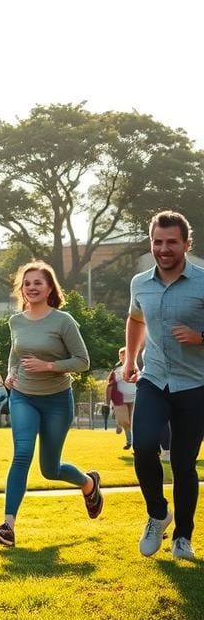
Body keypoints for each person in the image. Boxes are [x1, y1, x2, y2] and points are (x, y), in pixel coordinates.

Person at [0, 261, 102, 548]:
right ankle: (8, 527)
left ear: (50, 288)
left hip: (57, 401)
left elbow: (83, 362)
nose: (32, 287)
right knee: (22, 454)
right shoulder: (16, 321)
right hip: (23, 396)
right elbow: (15, 353)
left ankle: (88, 484)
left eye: (38, 283)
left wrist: (48, 365)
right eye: (27, 283)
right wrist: (11, 373)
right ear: (21, 290)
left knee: (50, 469)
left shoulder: (63, 321)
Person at [124, 210, 204, 561]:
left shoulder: (203, 282)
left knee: (184, 464)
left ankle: (183, 537)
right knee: (142, 446)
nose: (164, 248)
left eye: (172, 242)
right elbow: (135, 317)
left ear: (187, 243)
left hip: (195, 385)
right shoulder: (140, 283)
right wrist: (130, 360)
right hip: (154, 378)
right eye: (158, 241)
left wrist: (200, 337)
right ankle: (158, 514)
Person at [107, 347, 136, 449]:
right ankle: (119, 424)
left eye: (126, 354)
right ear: (120, 356)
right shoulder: (116, 370)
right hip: (120, 399)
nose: (124, 356)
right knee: (125, 421)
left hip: (133, 397)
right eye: (122, 355)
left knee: (133, 422)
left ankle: (131, 443)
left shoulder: (135, 367)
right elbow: (110, 385)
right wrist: (108, 401)